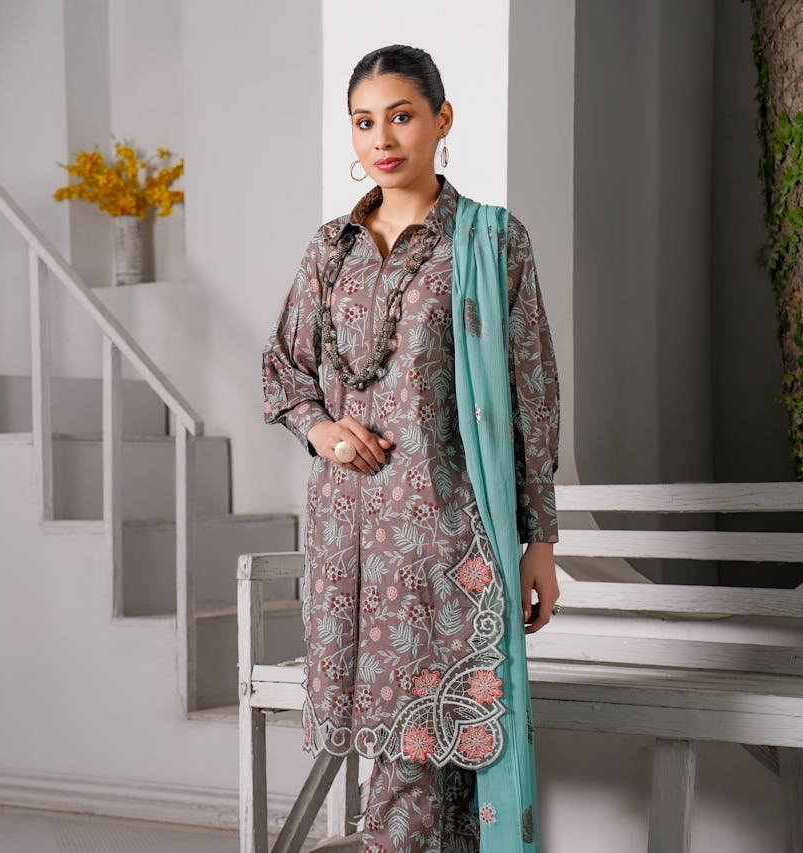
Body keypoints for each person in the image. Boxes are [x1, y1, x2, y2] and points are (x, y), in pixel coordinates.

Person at [261, 45, 562, 852]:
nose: (382, 138)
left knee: (434, 745)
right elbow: (282, 369)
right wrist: (322, 430)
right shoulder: (331, 250)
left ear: (441, 121)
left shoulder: (490, 241)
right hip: (351, 540)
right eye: (364, 121)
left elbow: (531, 391)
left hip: (448, 535)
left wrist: (541, 539)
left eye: (401, 116)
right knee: (396, 748)